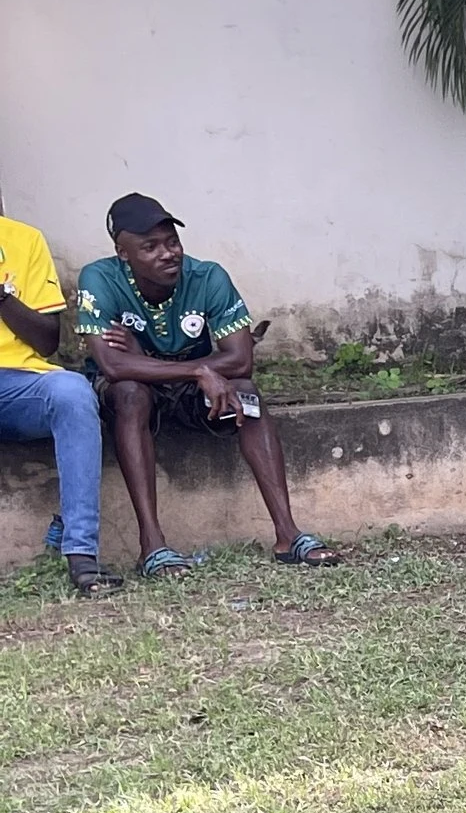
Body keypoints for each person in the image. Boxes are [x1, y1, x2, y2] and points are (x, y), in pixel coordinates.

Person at [76, 197, 339, 572]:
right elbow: (113, 364)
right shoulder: (99, 279)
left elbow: (239, 358)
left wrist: (165, 365)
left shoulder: (208, 277)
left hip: (187, 389)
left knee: (246, 393)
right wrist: (198, 371)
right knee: (131, 393)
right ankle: (152, 545)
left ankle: (288, 534)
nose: (168, 254)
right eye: (149, 247)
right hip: (131, 393)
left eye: (172, 242)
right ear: (123, 253)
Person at [0, 200, 113, 595]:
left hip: (18, 385)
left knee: (72, 391)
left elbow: (47, 340)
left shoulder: (23, 240)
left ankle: (81, 553)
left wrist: (1, 296)